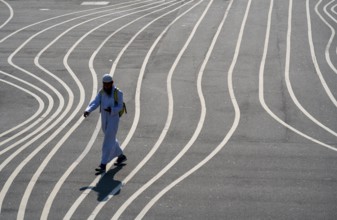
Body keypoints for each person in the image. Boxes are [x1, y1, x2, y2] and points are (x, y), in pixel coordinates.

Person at [83, 74, 127, 173]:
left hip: (113, 118)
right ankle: (121, 156)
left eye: (108, 84)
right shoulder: (102, 92)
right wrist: (88, 110)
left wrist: (112, 109)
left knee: (107, 141)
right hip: (104, 118)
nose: (106, 86)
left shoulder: (118, 93)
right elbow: (95, 102)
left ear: (112, 83)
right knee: (110, 138)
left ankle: (103, 164)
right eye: (104, 84)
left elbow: (120, 106)